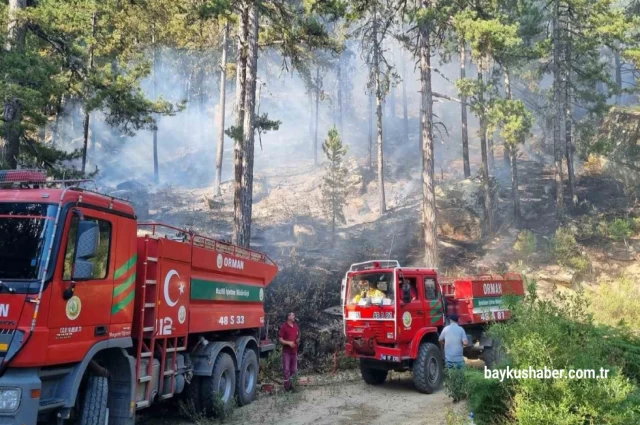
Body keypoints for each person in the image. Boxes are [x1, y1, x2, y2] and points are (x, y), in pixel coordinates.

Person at [278, 312, 300, 391]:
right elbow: (280, 339)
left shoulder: (296, 326)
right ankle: (287, 387)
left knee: (293, 370)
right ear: (288, 317)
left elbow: (297, 337)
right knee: (286, 369)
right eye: (292, 315)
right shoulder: (284, 327)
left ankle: (293, 386)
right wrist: (289, 343)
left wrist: (296, 341)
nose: (294, 316)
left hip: (294, 351)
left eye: (294, 315)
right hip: (286, 352)